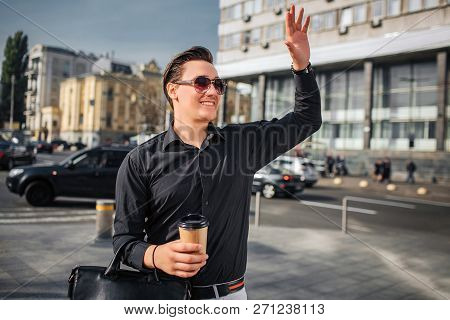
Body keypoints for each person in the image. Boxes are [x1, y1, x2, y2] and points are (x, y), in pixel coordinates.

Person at [113, 5, 321, 300]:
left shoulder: (243, 143)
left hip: (231, 299)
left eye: (217, 85)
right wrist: (156, 255)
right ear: (173, 90)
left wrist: (302, 67)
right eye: (201, 83)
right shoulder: (140, 160)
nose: (212, 91)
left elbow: (306, 120)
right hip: (165, 298)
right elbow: (123, 241)